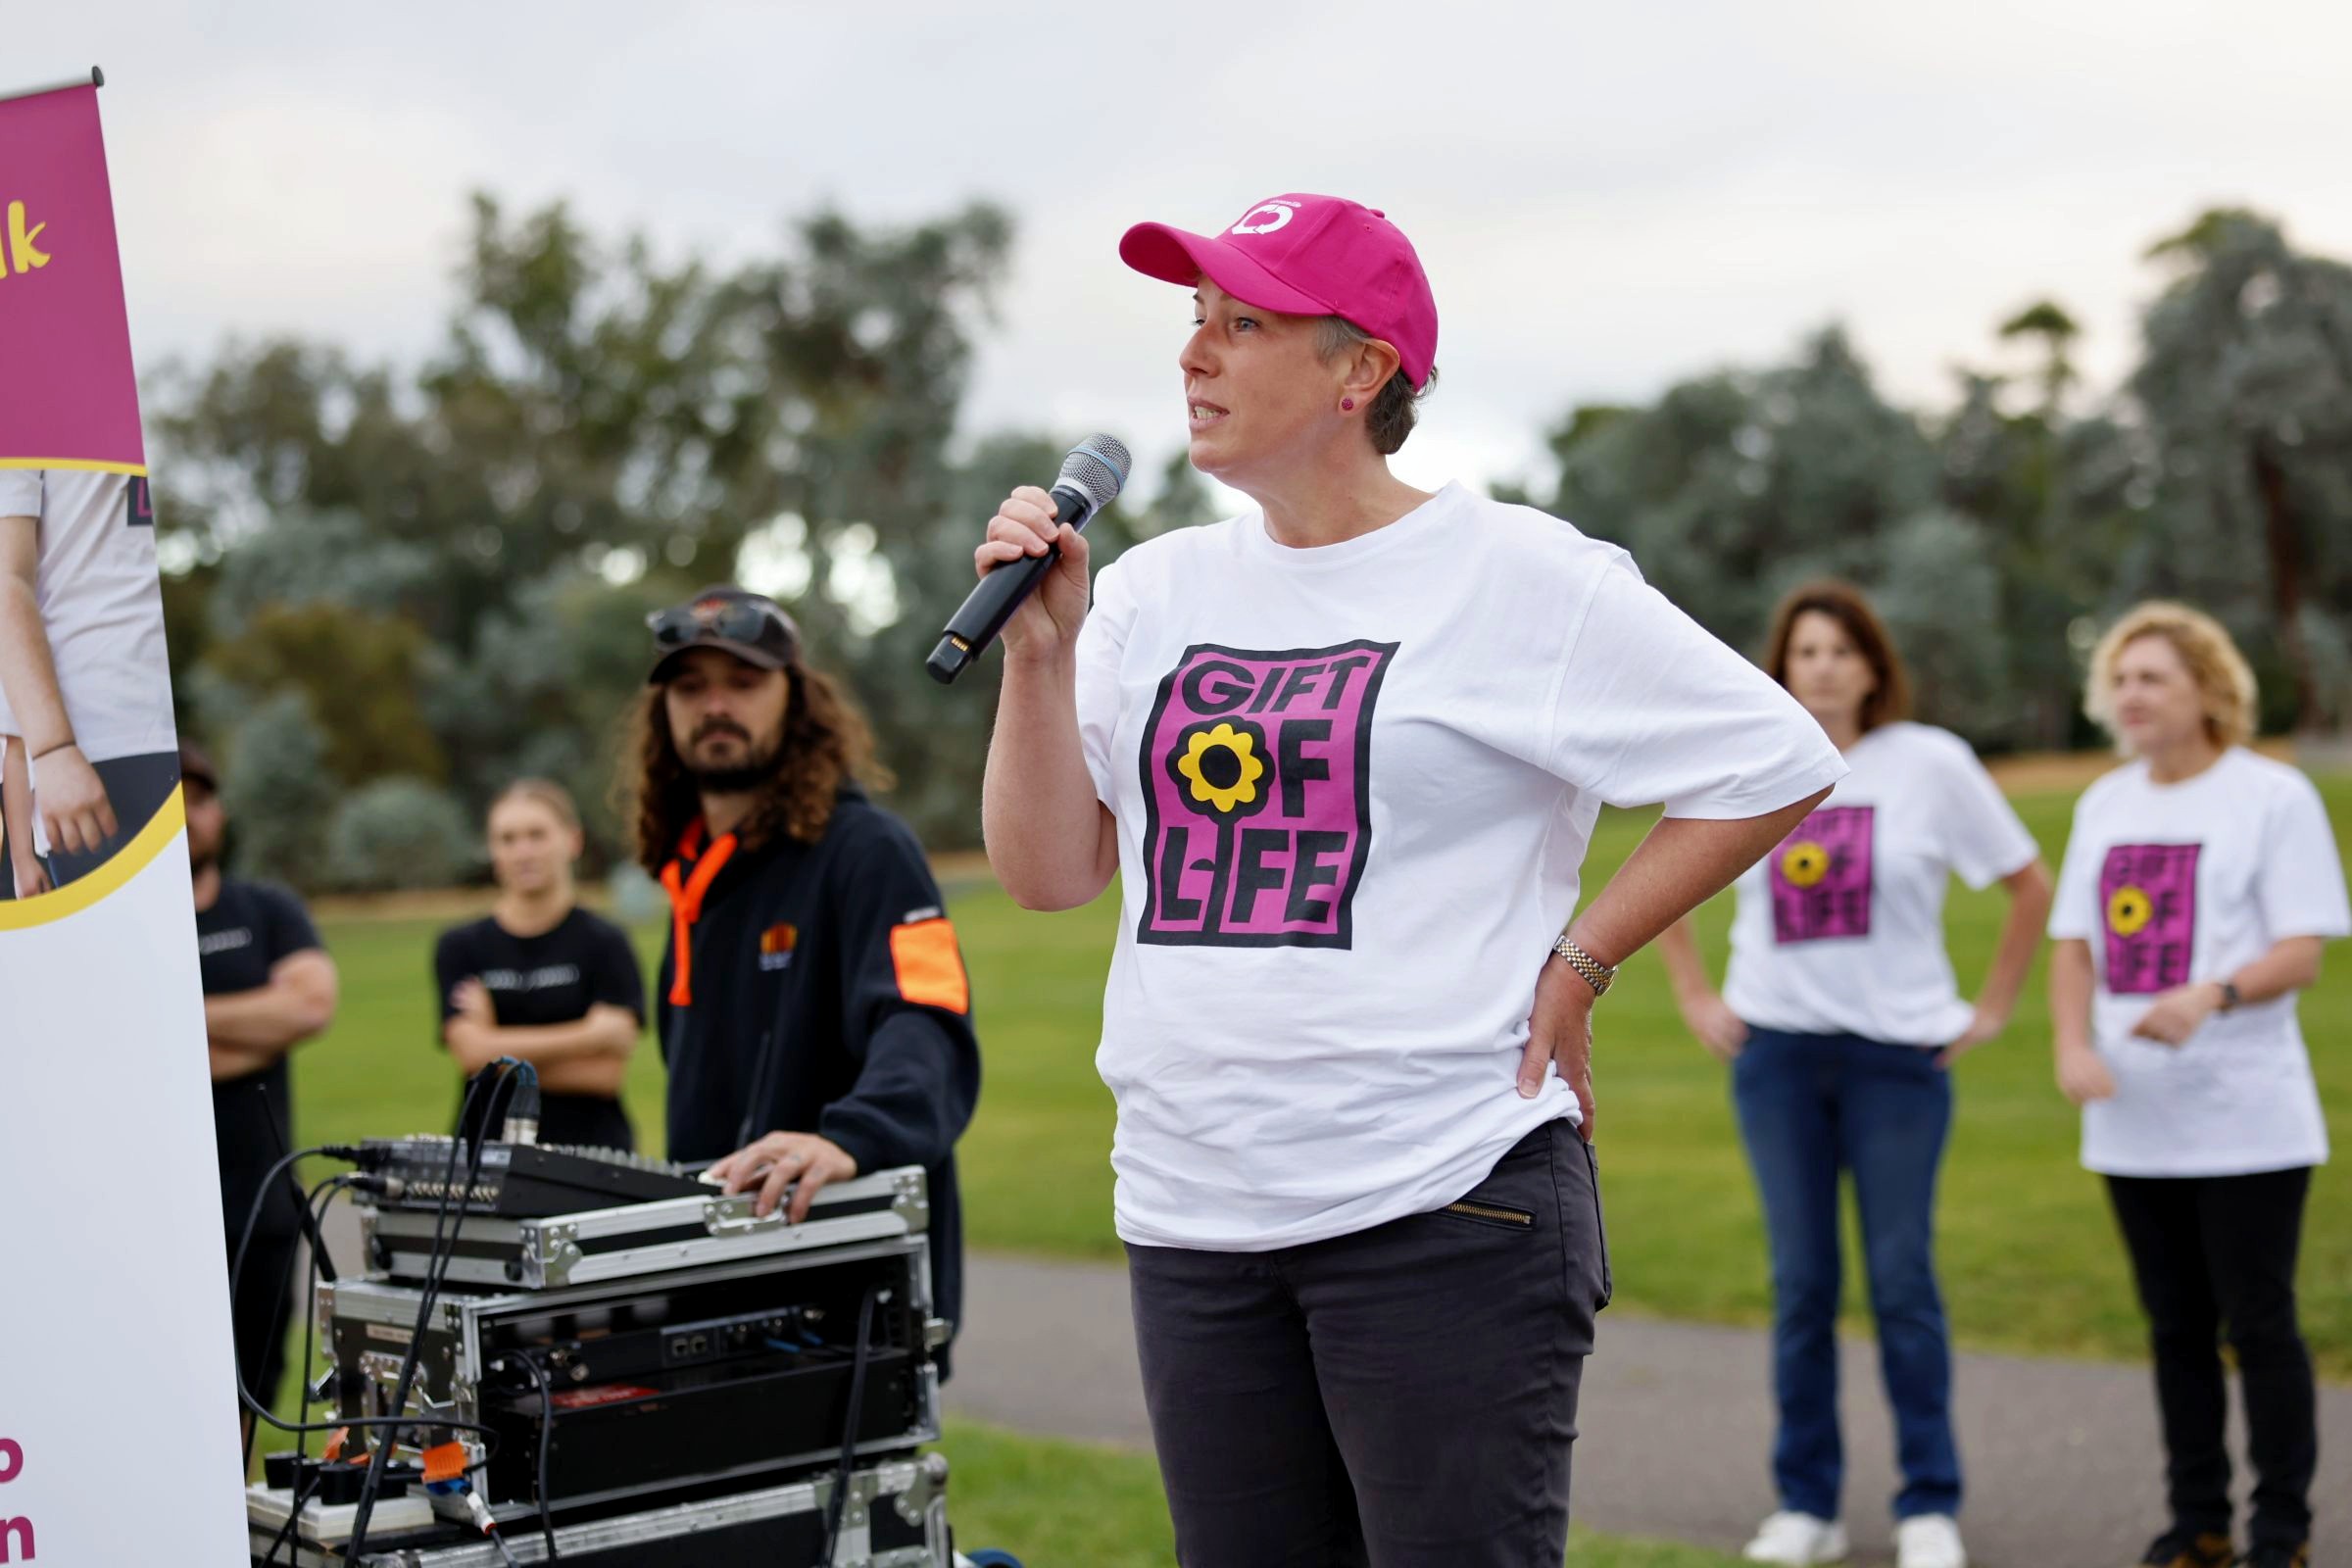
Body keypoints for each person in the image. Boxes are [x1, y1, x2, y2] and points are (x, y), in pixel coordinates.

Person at [976, 191, 1846, 1566]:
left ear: (1360, 369)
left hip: (1441, 1196)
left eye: (1242, 323)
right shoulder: (1150, 591)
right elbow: (1046, 874)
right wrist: (1041, 656)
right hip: (1194, 1209)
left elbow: (1773, 756)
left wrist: (1585, 955)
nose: (1195, 354)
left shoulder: (1516, 575)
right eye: (1194, 322)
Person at [1656, 582, 2052, 1568]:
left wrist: (1990, 1009)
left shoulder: (1932, 764)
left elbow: (2026, 885)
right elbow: (1670, 873)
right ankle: (1807, 1505)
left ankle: (1928, 1503)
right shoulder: (1746, 752)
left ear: (1874, 667)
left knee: (1903, 1279)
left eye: (1841, 650)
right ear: (1781, 667)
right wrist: (1698, 996)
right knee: (1801, 1285)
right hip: (1779, 1059)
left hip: (1896, 1063)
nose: (1822, 666)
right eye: (1805, 651)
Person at [2047, 603, 2346, 1568]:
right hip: (2134, 1117)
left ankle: (2283, 1530)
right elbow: (2075, 949)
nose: (2128, 695)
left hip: (2246, 1114)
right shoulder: (2104, 804)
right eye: (2120, 679)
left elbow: (2301, 950)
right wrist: (2070, 1046)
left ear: (2210, 691)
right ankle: (2199, 1523)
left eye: (2152, 678)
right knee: (2175, 1326)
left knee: (2258, 1323)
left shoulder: (2271, 795)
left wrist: (2210, 994)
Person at [628, 586, 980, 1365]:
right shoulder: (691, 878)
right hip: (715, 1283)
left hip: (844, 1297)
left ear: (798, 698)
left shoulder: (868, 851)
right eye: (691, 688)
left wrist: (850, 1137)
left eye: (744, 682)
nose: (715, 705)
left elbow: (926, 1023)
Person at [186, 738, 339, 1442]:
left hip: (264, 1197)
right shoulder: (132, 926)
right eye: (171, 802)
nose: (188, 814)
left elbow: (309, 1007)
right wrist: (256, 1022)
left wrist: (178, 1021)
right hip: (164, 1205)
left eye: (201, 798)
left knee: (254, 1391)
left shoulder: (266, 907)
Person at [433, 779, 644, 1151]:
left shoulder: (606, 942)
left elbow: (606, 1074)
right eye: (508, 839)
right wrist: (590, 1035)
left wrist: (496, 1050)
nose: (523, 851)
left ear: (572, 841)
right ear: (492, 850)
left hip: (589, 1156)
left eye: (537, 835)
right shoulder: (460, 945)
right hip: (484, 1153)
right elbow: (471, 1054)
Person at [0, 469, 177, 889]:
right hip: (104, 740)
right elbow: (5, 579)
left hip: (163, 719)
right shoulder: (20, 407)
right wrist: (53, 750)